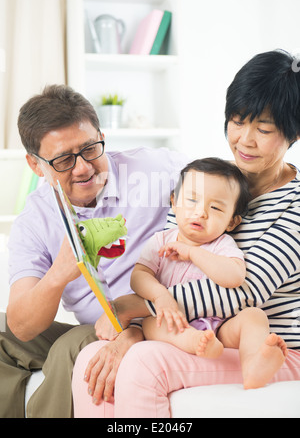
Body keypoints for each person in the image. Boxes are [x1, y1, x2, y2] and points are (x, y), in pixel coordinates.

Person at [72, 49, 300, 418]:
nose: (244, 140)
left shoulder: (295, 207)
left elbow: (244, 292)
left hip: (269, 349)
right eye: (237, 122)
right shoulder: (209, 178)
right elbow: (162, 254)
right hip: (199, 332)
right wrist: (134, 330)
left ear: (294, 132)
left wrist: (135, 309)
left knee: (145, 364)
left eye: (264, 129)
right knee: (90, 360)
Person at [0, 84, 188, 418]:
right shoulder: (34, 220)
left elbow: (229, 192)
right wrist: (59, 274)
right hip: (97, 323)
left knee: (72, 346)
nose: (83, 168)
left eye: (90, 149)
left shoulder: (158, 171)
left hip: (151, 318)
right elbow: (22, 326)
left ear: (102, 136)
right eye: (63, 160)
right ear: (35, 164)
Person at [130, 157, 288, 389]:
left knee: (254, 316)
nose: (201, 212)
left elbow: (234, 277)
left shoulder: (222, 244)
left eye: (215, 208)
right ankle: (195, 341)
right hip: (176, 324)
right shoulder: (161, 240)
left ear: (232, 222)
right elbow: (139, 276)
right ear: (174, 202)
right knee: (150, 324)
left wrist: (193, 253)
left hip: (222, 327)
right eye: (192, 200)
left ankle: (254, 364)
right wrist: (160, 296)